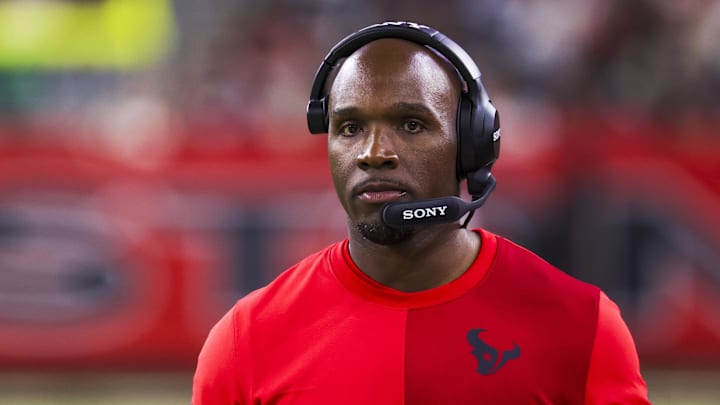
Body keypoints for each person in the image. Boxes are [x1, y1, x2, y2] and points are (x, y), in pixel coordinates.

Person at [192, 21, 650, 404]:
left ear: (472, 144)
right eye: (350, 127)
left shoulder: (582, 327)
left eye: (411, 125)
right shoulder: (245, 341)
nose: (374, 153)